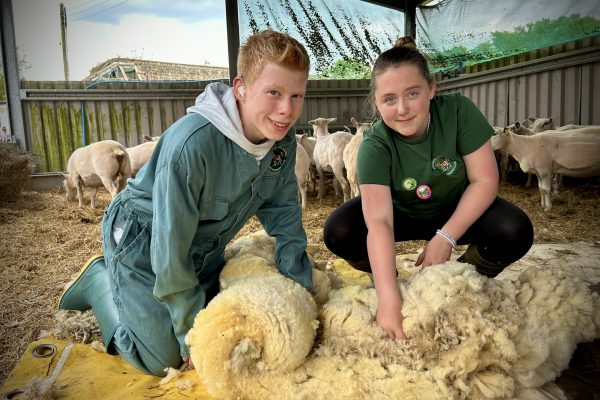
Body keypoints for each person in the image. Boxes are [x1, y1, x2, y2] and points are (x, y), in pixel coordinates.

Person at [59, 29, 313, 376]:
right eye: (274, 93)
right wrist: (189, 335)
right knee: (164, 358)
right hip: (143, 240)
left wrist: (303, 295)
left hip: (201, 247)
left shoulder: (282, 145)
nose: (287, 109)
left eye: (297, 95)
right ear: (240, 88)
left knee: (230, 329)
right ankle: (99, 281)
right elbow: (169, 247)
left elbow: (286, 221)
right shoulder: (191, 146)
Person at [323, 37, 533, 341]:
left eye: (412, 93)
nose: (403, 109)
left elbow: (485, 181)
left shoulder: (459, 112)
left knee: (514, 229)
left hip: (456, 208)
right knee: (339, 230)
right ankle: (387, 280)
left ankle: (459, 283)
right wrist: (388, 297)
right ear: (377, 103)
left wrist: (446, 237)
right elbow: (379, 221)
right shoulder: (374, 145)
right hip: (401, 213)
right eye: (389, 99)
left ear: (431, 88)